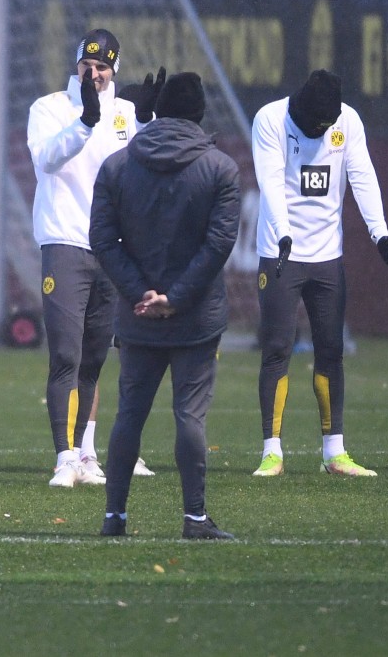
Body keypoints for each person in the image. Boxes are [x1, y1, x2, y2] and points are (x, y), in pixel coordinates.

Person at [90, 72, 241, 540]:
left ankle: (114, 516)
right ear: (199, 114)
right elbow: (218, 245)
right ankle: (194, 518)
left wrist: (140, 294)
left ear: (156, 111)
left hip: (137, 319)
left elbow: (102, 239)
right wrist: (175, 298)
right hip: (195, 317)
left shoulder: (117, 166)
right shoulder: (220, 169)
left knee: (128, 413)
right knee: (190, 416)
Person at [251, 69, 388, 478]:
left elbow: (363, 176)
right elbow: (270, 182)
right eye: (315, 127)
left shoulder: (348, 121)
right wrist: (283, 235)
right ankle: (272, 452)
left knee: (331, 350)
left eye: (327, 126)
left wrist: (382, 237)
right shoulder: (270, 120)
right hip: (280, 253)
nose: (321, 133)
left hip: (326, 257)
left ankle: (334, 452)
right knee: (277, 350)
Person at [27, 28, 159, 488]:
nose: (95, 72)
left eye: (103, 66)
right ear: (76, 64)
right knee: (65, 351)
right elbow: (45, 159)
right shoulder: (49, 108)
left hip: (113, 247)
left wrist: (153, 123)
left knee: (95, 359)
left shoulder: (127, 113)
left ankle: (87, 453)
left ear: (114, 70)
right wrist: (84, 120)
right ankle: (64, 457)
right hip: (64, 241)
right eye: (88, 64)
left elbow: (146, 168)